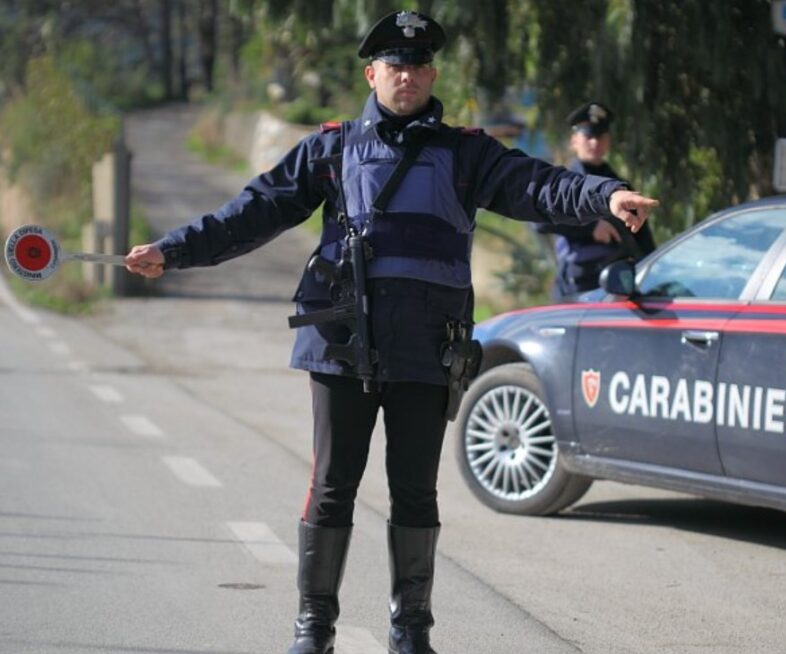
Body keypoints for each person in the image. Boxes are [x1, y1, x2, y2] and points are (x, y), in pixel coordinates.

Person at [125, 10, 657, 654]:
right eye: (394, 66)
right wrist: (173, 250)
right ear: (371, 72)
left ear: (432, 74)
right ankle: (312, 628)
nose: (406, 76)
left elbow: (537, 185)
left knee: (414, 491)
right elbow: (254, 212)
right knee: (331, 487)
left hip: (426, 347)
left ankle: (410, 633)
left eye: (418, 66)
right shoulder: (333, 147)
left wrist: (604, 196)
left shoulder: (467, 154)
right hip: (342, 345)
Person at [536, 101, 657, 300]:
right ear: (574, 140)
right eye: (588, 136)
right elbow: (539, 220)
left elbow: (643, 236)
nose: (594, 143)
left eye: (600, 137)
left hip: (619, 284)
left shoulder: (620, 185)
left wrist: (653, 271)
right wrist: (590, 228)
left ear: (608, 141)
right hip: (578, 286)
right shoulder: (564, 181)